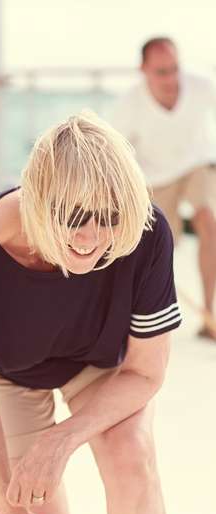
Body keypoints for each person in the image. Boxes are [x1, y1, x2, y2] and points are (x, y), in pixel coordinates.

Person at [0, 113, 181, 514]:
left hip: (102, 364)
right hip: (12, 375)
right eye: (74, 216)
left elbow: (146, 372)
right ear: (38, 199)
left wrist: (62, 440)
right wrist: (11, 513)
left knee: (131, 459)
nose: (91, 236)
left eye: (108, 217)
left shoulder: (144, 229)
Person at [112, 36, 216, 340]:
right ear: (143, 69)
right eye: (161, 72)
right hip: (154, 179)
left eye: (174, 69)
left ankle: (209, 315)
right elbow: (115, 153)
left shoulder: (200, 85)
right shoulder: (129, 105)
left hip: (197, 165)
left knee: (207, 219)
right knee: (156, 245)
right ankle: (142, 317)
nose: (171, 79)